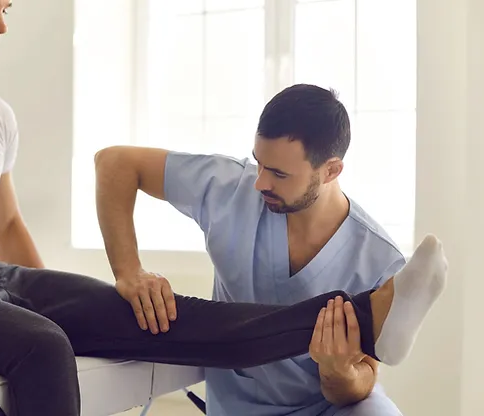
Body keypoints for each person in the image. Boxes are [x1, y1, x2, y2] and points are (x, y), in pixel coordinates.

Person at [0, 1, 448, 416]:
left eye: (5, 7)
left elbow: (7, 225)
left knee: (164, 318)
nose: (2, 23)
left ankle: (369, 313)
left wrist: (38, 299)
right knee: (44, 346)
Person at [93, 84, 434, 415]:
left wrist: (339, 371)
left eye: (279, 174)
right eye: (259, 163)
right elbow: (115, 162)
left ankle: (372, 312)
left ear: (330, 170)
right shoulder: (229, 187)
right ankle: (370, 310)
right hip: (239, 406)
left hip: (327, 407)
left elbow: (358, 387)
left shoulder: (375, 257)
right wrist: (129, 270)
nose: (260, 183)